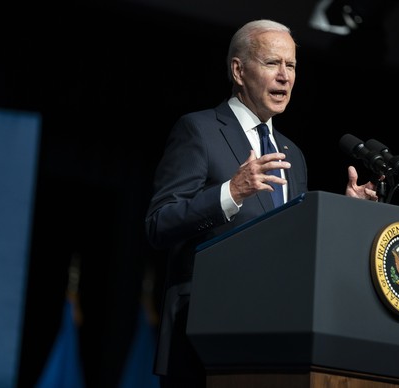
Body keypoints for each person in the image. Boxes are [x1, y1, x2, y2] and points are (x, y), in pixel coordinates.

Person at [144, 19, 378, 388]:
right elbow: (159, 224)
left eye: (292, 66)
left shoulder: (292, 154)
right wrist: (231, 192)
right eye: (273, 63)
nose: (285, 76)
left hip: (272, 341)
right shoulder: (199, 130)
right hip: (203, 338)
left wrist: (344, 215)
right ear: (238, 70)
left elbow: (291, 243)